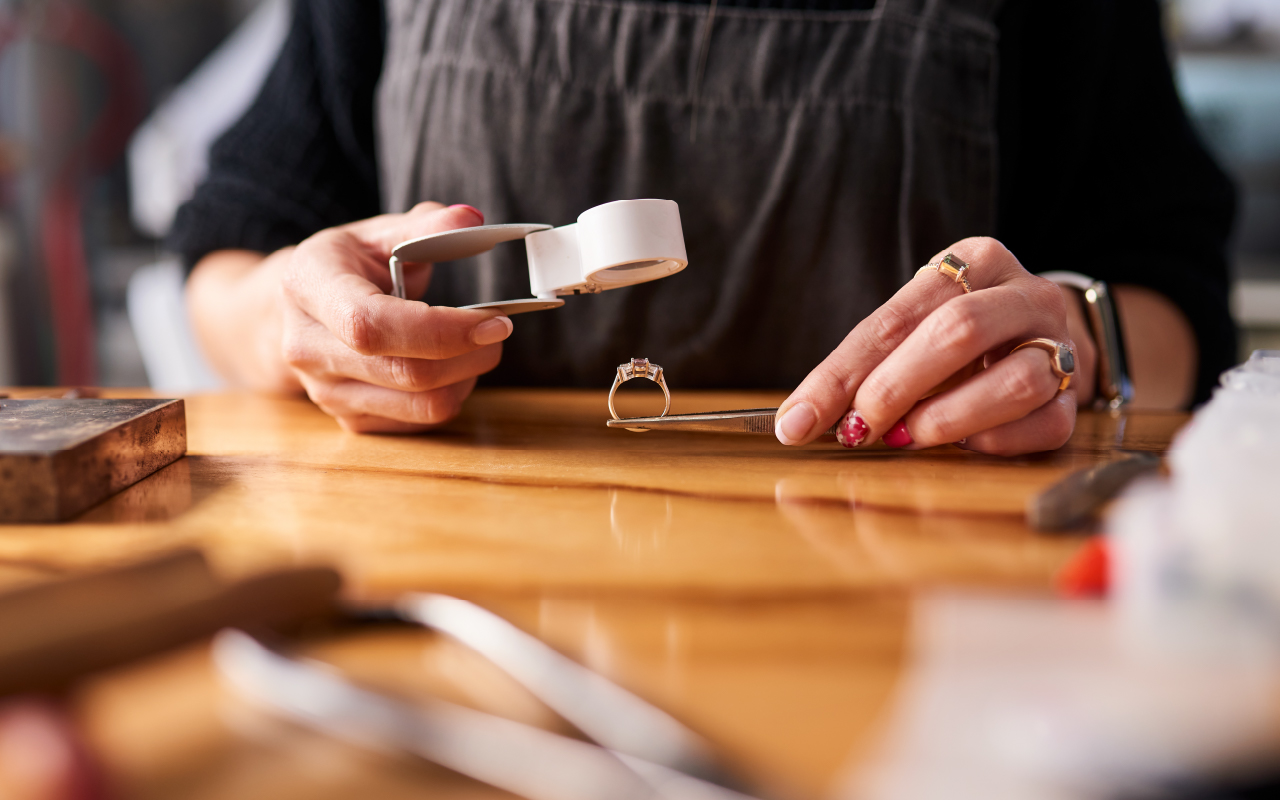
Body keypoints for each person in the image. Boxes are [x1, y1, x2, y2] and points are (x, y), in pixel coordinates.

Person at [173, 0, 1236, 455]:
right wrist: (291, 320)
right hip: (450, 588)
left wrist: (1077, 335)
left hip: (909, 613)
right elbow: (230, 245)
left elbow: (1177, 292)